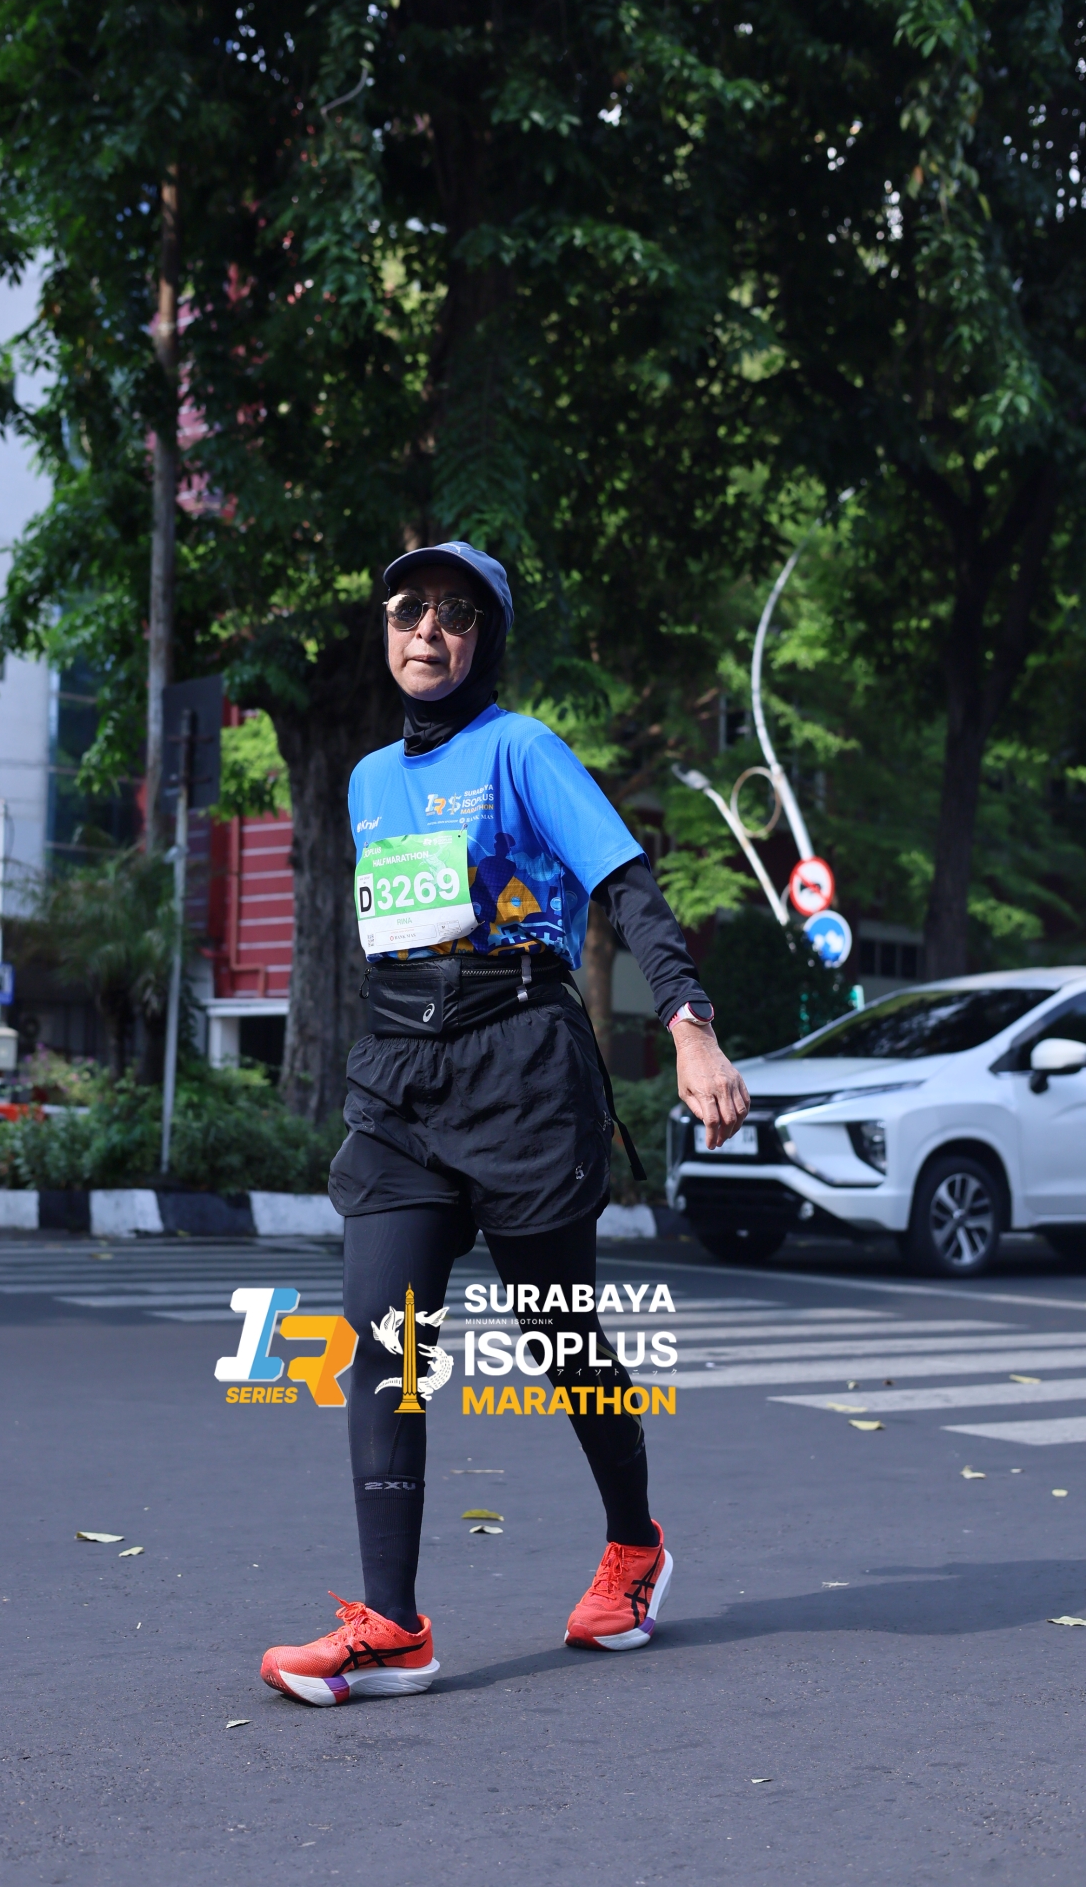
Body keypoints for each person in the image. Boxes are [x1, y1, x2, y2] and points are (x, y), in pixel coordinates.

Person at [261, 542, 749, 1707]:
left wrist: (687, 1024)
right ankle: (391, 1625)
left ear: (484, 639)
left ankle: (633, 1545)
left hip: (522, 1071)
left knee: (559, 1338)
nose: (427, 630)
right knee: (380, 1338)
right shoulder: (366, 778)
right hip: (400, 1084)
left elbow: (625, 886)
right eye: (408, 610)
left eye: (455, 613)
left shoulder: (522, 749)